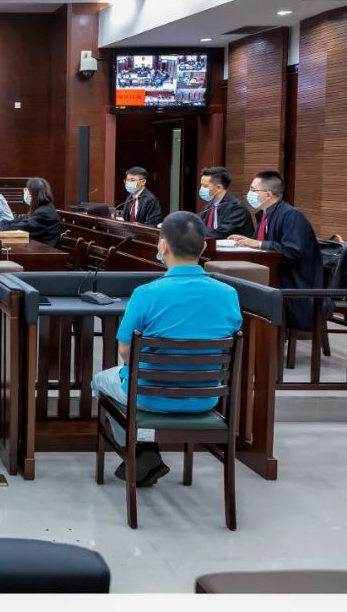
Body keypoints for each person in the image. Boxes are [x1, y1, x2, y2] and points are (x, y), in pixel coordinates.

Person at [92, 211, 242, 487]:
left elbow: (125, 351)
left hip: (149, 397)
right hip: (205, 398)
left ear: (162, 246)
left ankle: (140, 451)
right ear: (203, 247)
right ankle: (144, 452)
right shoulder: (228, 294)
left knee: (100, 381)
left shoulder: (146, 293)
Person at [229, 171, 325, 331]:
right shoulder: (265, 214)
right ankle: (246, 337)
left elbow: (292, 251)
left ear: (268, 194)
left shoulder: (291, 216)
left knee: (244, 291)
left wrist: (259, 244)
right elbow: (260, 244)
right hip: (273, 278)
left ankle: (258, 339)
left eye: (253, 190)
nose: (249, 194)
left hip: (293, 284)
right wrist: (247, 242)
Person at [0, 177, 63, 247]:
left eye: (26, 190)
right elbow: (19, 221)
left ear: (33, 194)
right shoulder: (42, 208)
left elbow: (22, 227)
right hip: (36, 247)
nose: (25, 192)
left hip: (44, 252)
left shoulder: (44, 213)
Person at [197, 166, 253, 240]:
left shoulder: (237, 208)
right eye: (201, 185)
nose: (201, 189)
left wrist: (194, 229)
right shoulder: (209, 206)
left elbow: (220, 233)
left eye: (205, 186)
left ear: (219, 188)